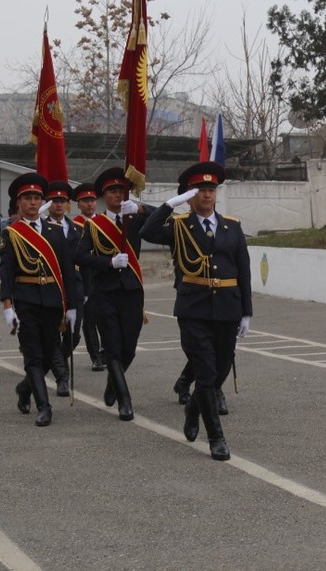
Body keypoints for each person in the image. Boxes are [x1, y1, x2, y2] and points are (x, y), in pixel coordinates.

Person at [140, 161, 253, 461]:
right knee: (204, 373)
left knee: (220, 372)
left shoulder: (232, 226)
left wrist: (246, 312)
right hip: (193, 308)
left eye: (211, 189)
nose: (206, 194)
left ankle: (193, 408)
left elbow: (244, 270)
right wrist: (168, 205)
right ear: (190, 196)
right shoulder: (178, 227)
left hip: (228, 307)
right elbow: (147, 231)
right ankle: (216, 438)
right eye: (200, 190)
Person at [75, 167, 155, 421]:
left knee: (129, 349)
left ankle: (113, 383)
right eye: (112, 191)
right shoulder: (95, 225)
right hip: (104, 292)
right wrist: (108, 262)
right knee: (112, 346)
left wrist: (141, 209)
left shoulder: (136, 218)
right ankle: (124, 399)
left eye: (121, 191)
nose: (118, 196)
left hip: (132, 291)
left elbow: (167, 218)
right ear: (103, 196)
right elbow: (79, 256)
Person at [0, 172, 77, 427]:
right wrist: (8, 306)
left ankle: (24, 388)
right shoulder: (12, 233)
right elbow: (7, 270)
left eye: (36, 198)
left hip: (53, 301)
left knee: (46, 355)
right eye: (27, 198)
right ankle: (44, 406)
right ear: (18, 203)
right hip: (26, 300)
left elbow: (67, 270)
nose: (32, 203)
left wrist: (72, 305)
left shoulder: (55, 232)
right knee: (32, 355)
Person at [41, 180, 80, 398]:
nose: (58, 204)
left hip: (74, 286)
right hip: (50, 285)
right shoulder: (39, 228)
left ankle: (56, 360)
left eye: (62, 201)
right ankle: (62, 377)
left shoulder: (77, 228)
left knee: (73, 336)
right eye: (54, 201)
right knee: (53, 335)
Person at [71, 182, 104, 372]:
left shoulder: (103, 222)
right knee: (89, 318)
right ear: (79, 204)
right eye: (85, 201)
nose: (90, 204)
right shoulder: (74, 225)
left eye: (92, 200)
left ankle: (106, 352)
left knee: (106, 317)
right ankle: (95, 356)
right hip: (84, 275)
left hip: (104, 273)